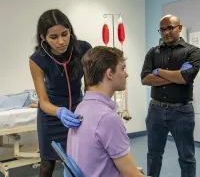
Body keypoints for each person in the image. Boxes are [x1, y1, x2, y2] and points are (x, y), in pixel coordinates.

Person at [29, 9, 92, 177]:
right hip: (51, 115)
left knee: (81, 160)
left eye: (65, 34)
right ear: (43, 37)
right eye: (53, 37)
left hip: (78, 113)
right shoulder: (37, 59)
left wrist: (89, 107)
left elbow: (90, 86)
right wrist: (60, 112)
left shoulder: (84, 48)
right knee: (47, 164)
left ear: (70, 30)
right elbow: (43, 101)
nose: (61, 41)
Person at [67, 46, 144, 177]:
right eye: (123, 69)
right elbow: (131, 174)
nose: (126, 74)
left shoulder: (81, 106)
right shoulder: (107, 118)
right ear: (109, 73)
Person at [141, 14, 200, 177]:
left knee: (186, 157)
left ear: (179, 28)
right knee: (153, 154)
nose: (166, 32)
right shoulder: (153, 52)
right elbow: (145, 79)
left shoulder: (193, 52)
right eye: (162, 29)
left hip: (182, 112)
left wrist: (158, 71)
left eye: (170, 28)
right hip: (156, 110)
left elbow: (185, 78)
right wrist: (176, 75)